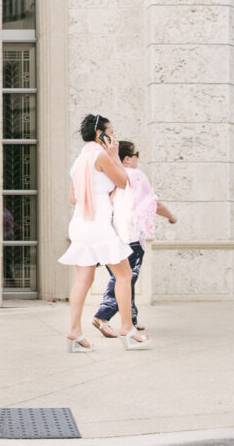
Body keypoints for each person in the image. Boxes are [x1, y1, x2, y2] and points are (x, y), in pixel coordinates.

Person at [58, 114, 153, 351]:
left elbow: (72, 197)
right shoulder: (101, 155)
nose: (114, 135)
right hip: (98, 225)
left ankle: (74, 332)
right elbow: (123, 182)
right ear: (101, 133)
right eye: (111, 130)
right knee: (124, 274)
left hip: (79, 224)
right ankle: (127, 329)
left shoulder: (80, 159)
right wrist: (113, 155)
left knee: (84, 279)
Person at [92, 140, 177, 338]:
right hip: (129, 235)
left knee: (123, 277)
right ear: (128, 158)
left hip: (109, 234)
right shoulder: (135, 175)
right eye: (136, 153)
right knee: (125, 278)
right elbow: (153, 203)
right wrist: (171, 216)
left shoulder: (109, 176)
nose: (139, 157)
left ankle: (131, 319)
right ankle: (102, 316)